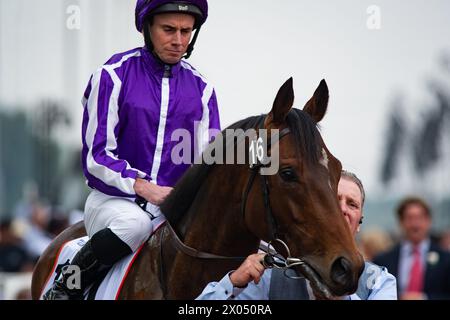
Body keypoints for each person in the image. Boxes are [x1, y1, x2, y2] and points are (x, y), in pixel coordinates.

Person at [44, 0, 220, 300]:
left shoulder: (202, 90)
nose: (178, 41)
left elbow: (209, 161)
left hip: (172, 210)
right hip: (113, 201)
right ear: (147, 27)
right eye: (168, 30)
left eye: (186, 31)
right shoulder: (113, 75)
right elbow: (96, 156)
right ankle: (65, 287)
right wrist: (144, 188)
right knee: (135, 224)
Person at [197, 170, 397, 300]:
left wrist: (341, 295)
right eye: (334, 200)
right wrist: (233, 283)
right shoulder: (270, 274)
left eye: (352, 204)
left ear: (360, 221)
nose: (342, 209)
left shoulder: (379, 281)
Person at [373, 197, 450, 300]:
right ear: (401, 222)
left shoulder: (446, 259)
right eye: (409, 218)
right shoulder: (383, 260)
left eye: (419, 218)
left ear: (429, 221)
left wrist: (423, 298)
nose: (415, 224)